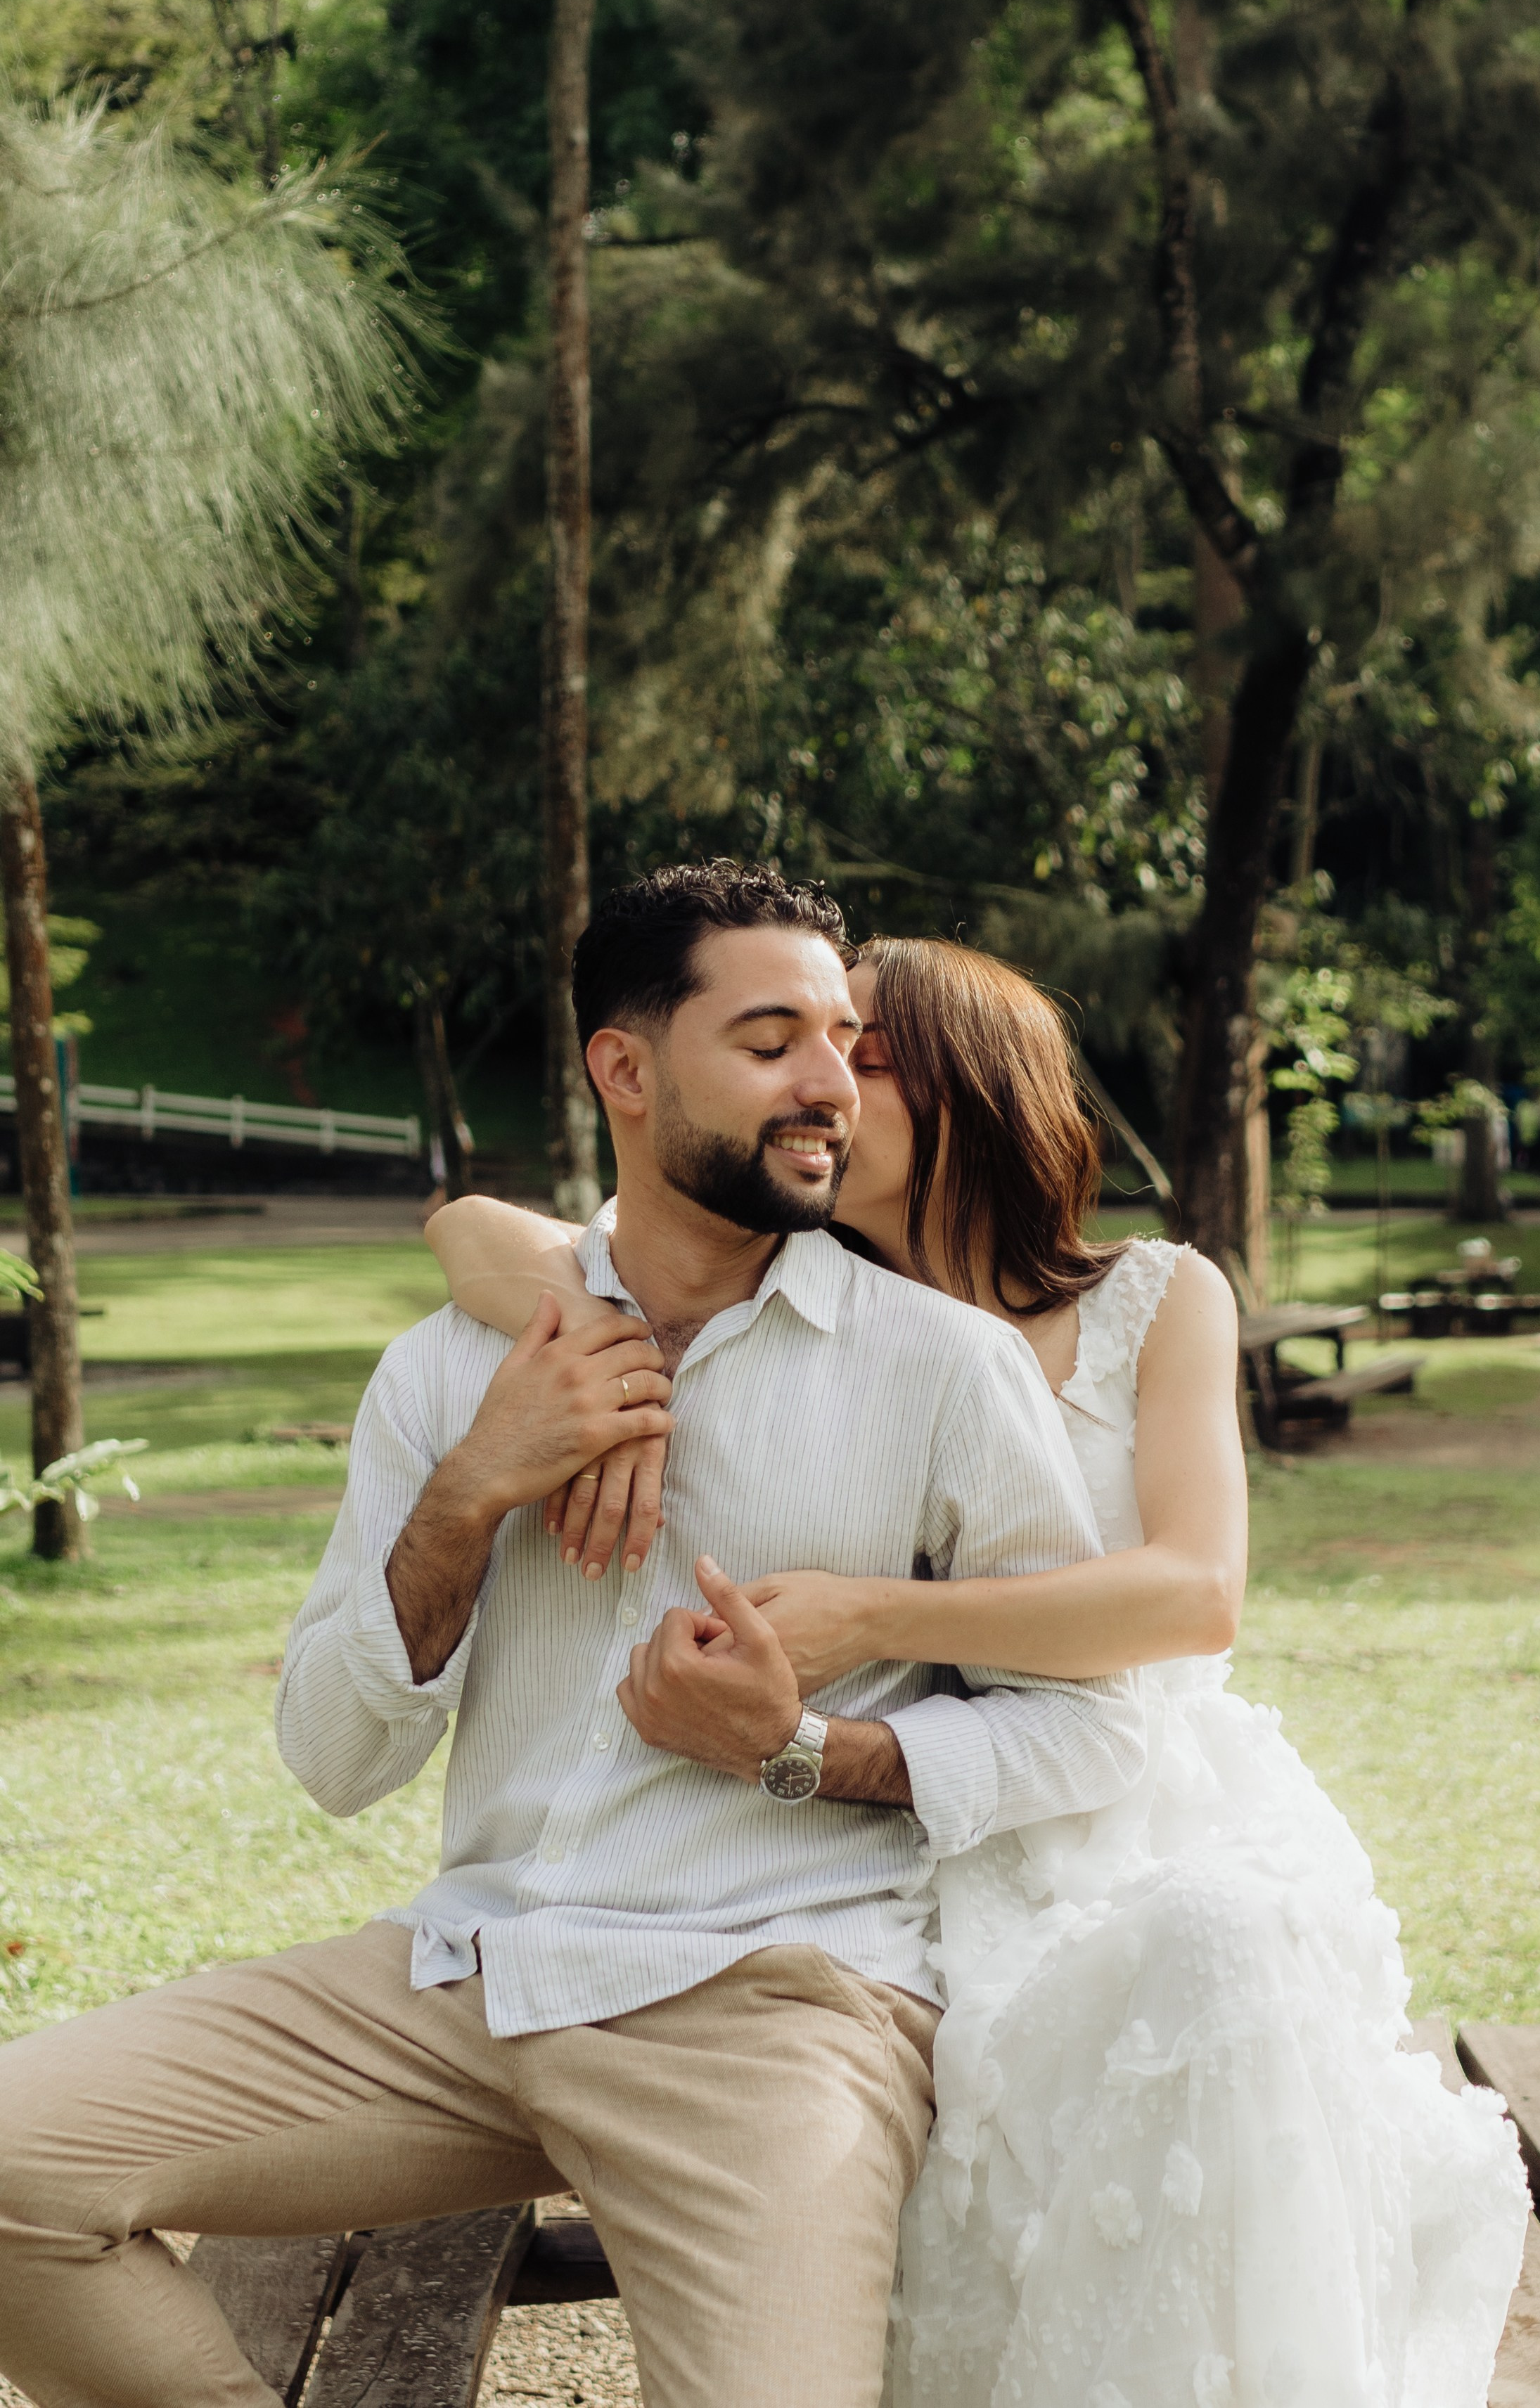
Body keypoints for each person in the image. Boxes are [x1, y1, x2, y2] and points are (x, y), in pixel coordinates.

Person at [0, 863, 1148, 2408]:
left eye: (841, 1039)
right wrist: (473, 1489)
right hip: (468, 1978)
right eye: (770, 1042)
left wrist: (803, 1749)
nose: (828, 1084)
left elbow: (1090, 1723)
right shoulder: (452, 1367)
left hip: (772, 2003)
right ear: (626, 1067)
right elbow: (334, 1759)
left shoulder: (941, 1369)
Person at [437, 932, 1530, 2408]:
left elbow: (1194, 1595)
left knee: (1215, 1947)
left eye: (866, 1056)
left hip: (1139, 1789)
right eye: (801, 1049)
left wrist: (874, 1616)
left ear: (975, 1086)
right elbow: (467, 1228)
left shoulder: (1154, 1297)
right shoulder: (800, 1292)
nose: (823, 1088)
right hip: (908, 1811)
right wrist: (607, 1332)